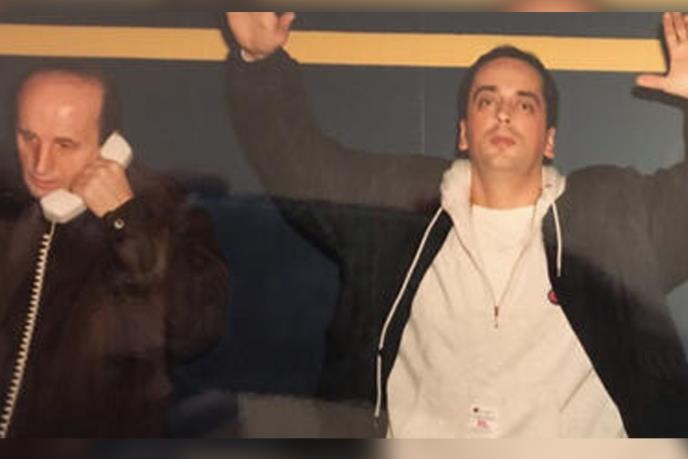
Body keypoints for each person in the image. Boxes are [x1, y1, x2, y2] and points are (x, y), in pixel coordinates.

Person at [226, 12, 688, 437]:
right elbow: (303, 166)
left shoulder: (611, 216)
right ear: (464, 132)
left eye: (525, 105)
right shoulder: (399, 209)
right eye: (487, 100)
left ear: (549, 141)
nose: (503, 113)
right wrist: (260, 62)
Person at [0, 65, 229, 437]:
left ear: (110, 147)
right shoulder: (12, 204)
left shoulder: (171, 214)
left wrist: (127, 223)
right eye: (28, 137)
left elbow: (196, 329)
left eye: (65, 144)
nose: (40, 164)